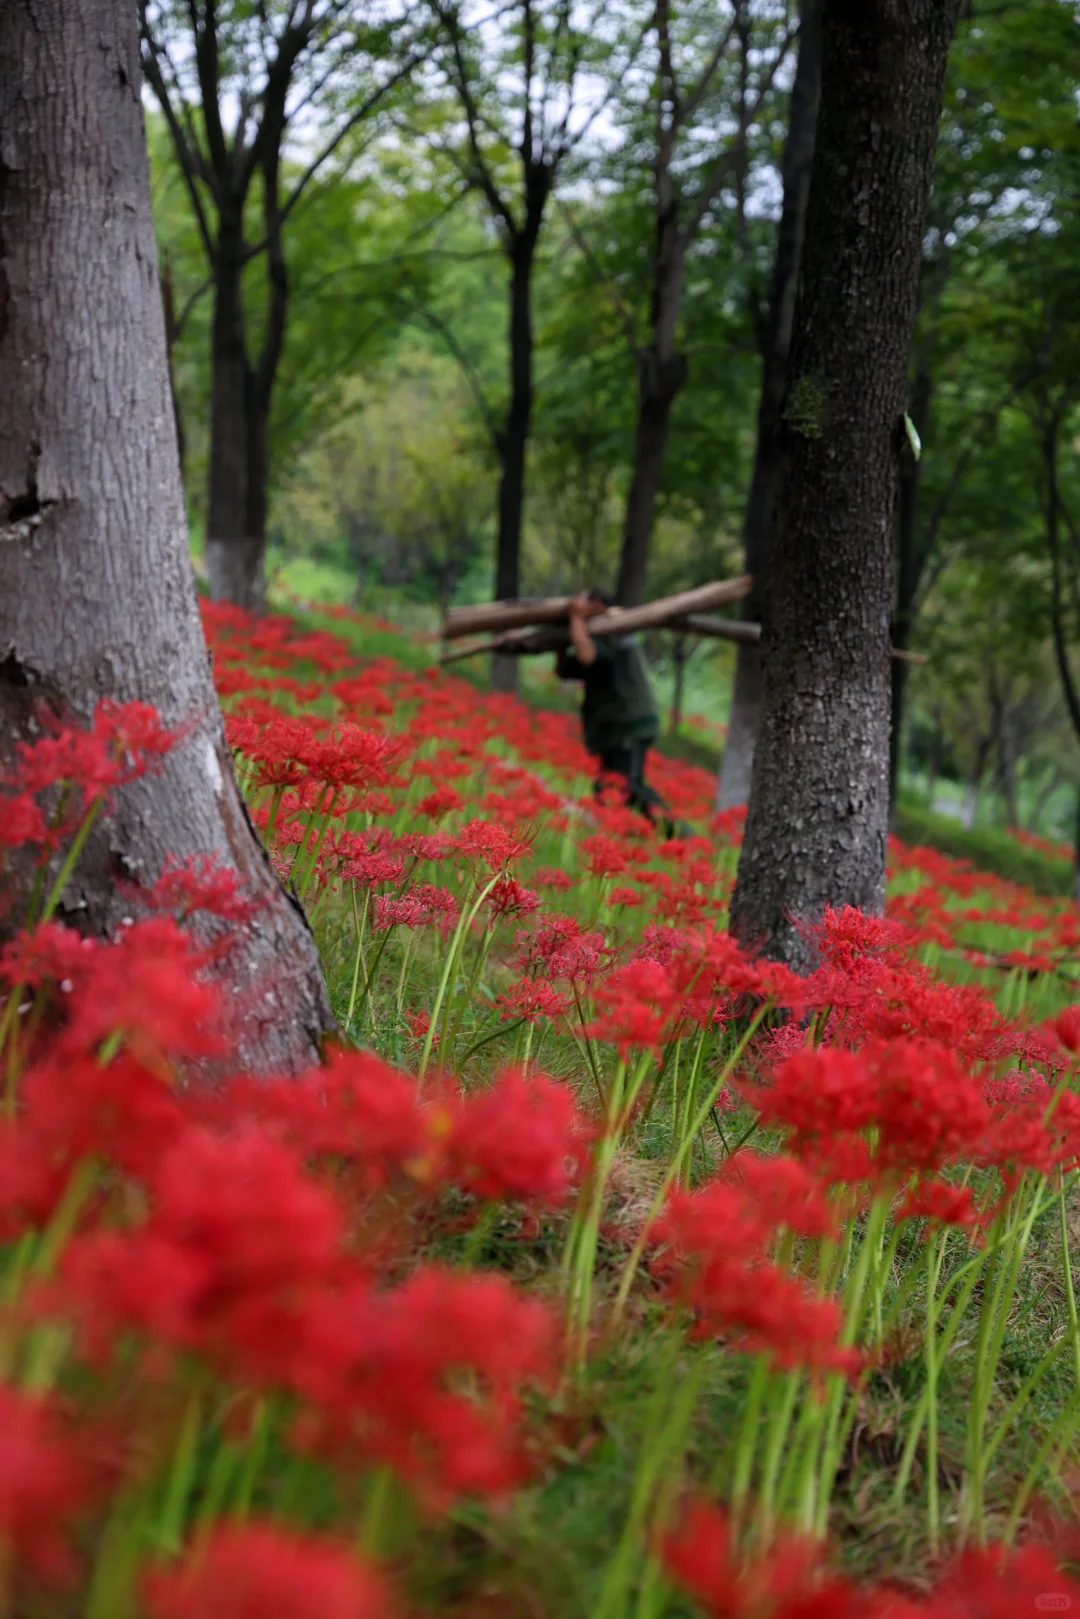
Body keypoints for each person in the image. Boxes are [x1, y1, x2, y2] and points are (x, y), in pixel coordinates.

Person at [555, 588, 674, 834]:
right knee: (606, 786)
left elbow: (587, 655)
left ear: (598, 605)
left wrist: (576, 619)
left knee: (627, 786)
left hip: (630, 724)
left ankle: (675, 833)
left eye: (584, 602)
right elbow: (566, 669)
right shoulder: (594, 634)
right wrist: (561, 639)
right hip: (615, 727)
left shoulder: (614, 627)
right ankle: (611, 833)